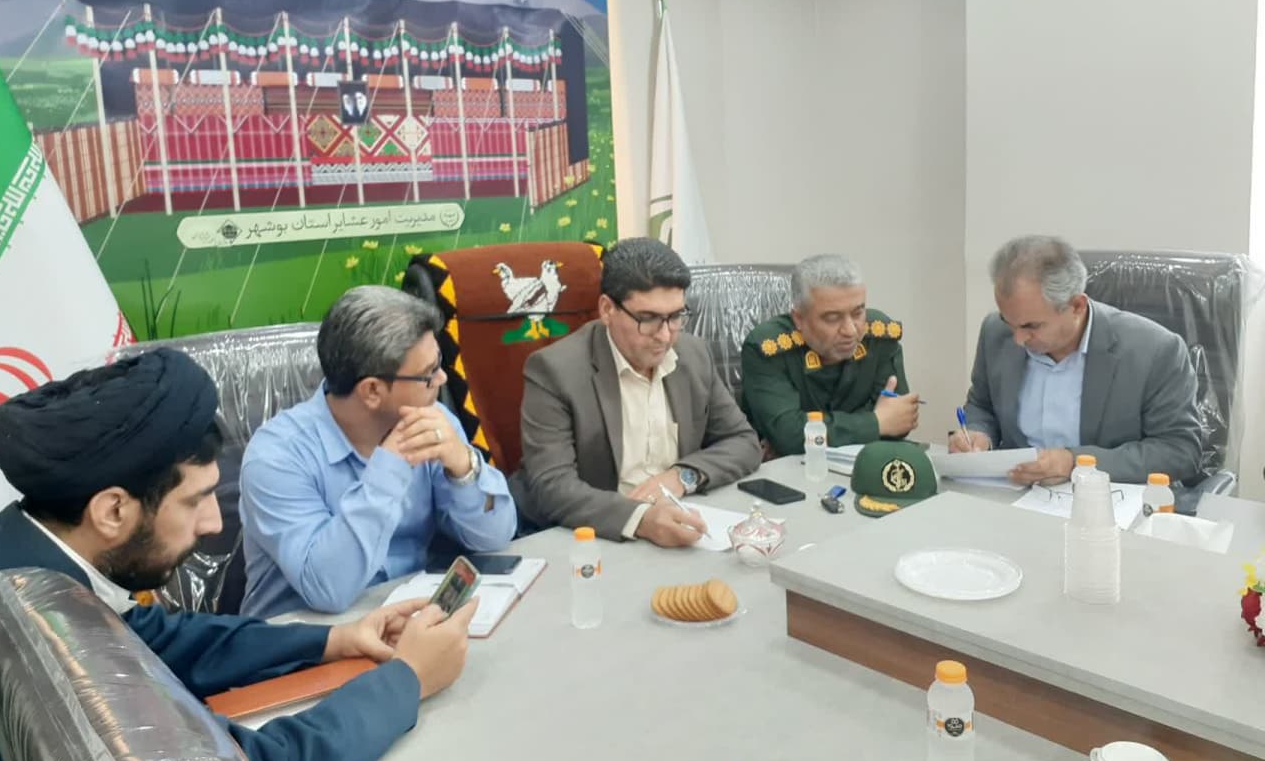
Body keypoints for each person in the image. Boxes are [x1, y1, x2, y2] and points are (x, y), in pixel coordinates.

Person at [0, 349, 478, 761]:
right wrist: (408, 679)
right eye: (195, 501)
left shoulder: (26, 561)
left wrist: (336, 640)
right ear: (113, 510)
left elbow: (154, 639)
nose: (214, 524)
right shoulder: (34, 646)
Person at [240, 286, 516, 618]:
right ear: (372, 390)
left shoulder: (432, 421)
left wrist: (464, 467)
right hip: (302, 638)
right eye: (428, 374)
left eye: (439, 364)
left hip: (405, 620)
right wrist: (389, 466)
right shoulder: (276, 456)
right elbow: (328, 589)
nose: (442, 379)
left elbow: (495, 537)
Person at [512, 238, 761, 547]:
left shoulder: (693, 354)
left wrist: (682, 477)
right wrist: (640, 519)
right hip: (594, 535)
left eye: (676, 316)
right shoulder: (555, 370)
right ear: (607, 309)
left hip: (678, 520)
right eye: (648, 319)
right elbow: (553, 486)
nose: (665, 336)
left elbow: (743, 441)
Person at [951, 235, 1203, 484]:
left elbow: (1179, 451)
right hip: (1015, 491)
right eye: (1008, 321)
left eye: (1031, 326)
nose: (1018, 339)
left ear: (1077, 307)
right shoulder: (995, 332)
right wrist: (978, 434)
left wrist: (1075, 462)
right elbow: (982, 405)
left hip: (1105, 497)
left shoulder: (1155, 351)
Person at [741, 254, 918, 456]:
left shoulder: (879, 335)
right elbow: (788, 436)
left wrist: (808, 432)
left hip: (866, 463)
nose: (850, 330)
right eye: (833, 318)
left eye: (858, 313)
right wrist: (876, 423)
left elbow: (900, 420)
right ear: (799, 319)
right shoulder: (768, 347)